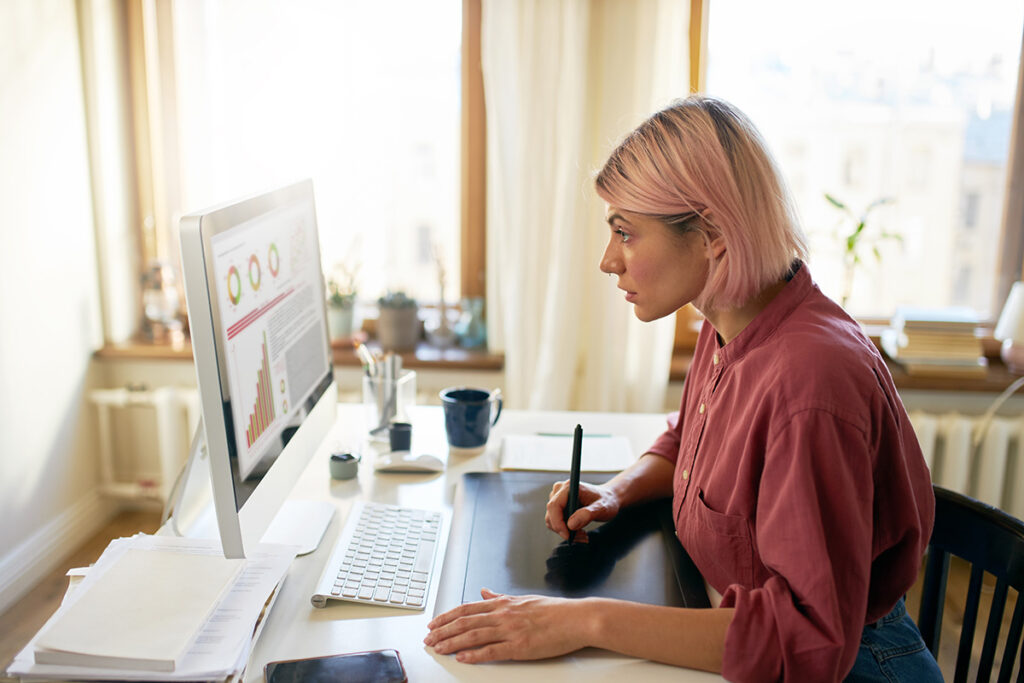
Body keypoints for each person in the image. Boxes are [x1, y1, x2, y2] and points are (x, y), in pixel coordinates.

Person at [424, 95, 940, 682]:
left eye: (625, 232)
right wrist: (617, 492)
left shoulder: (811, 383)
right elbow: (691, 437)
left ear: (712, 234)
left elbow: (810, 641)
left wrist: (578, 621)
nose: (607, 261)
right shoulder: (733, 315)